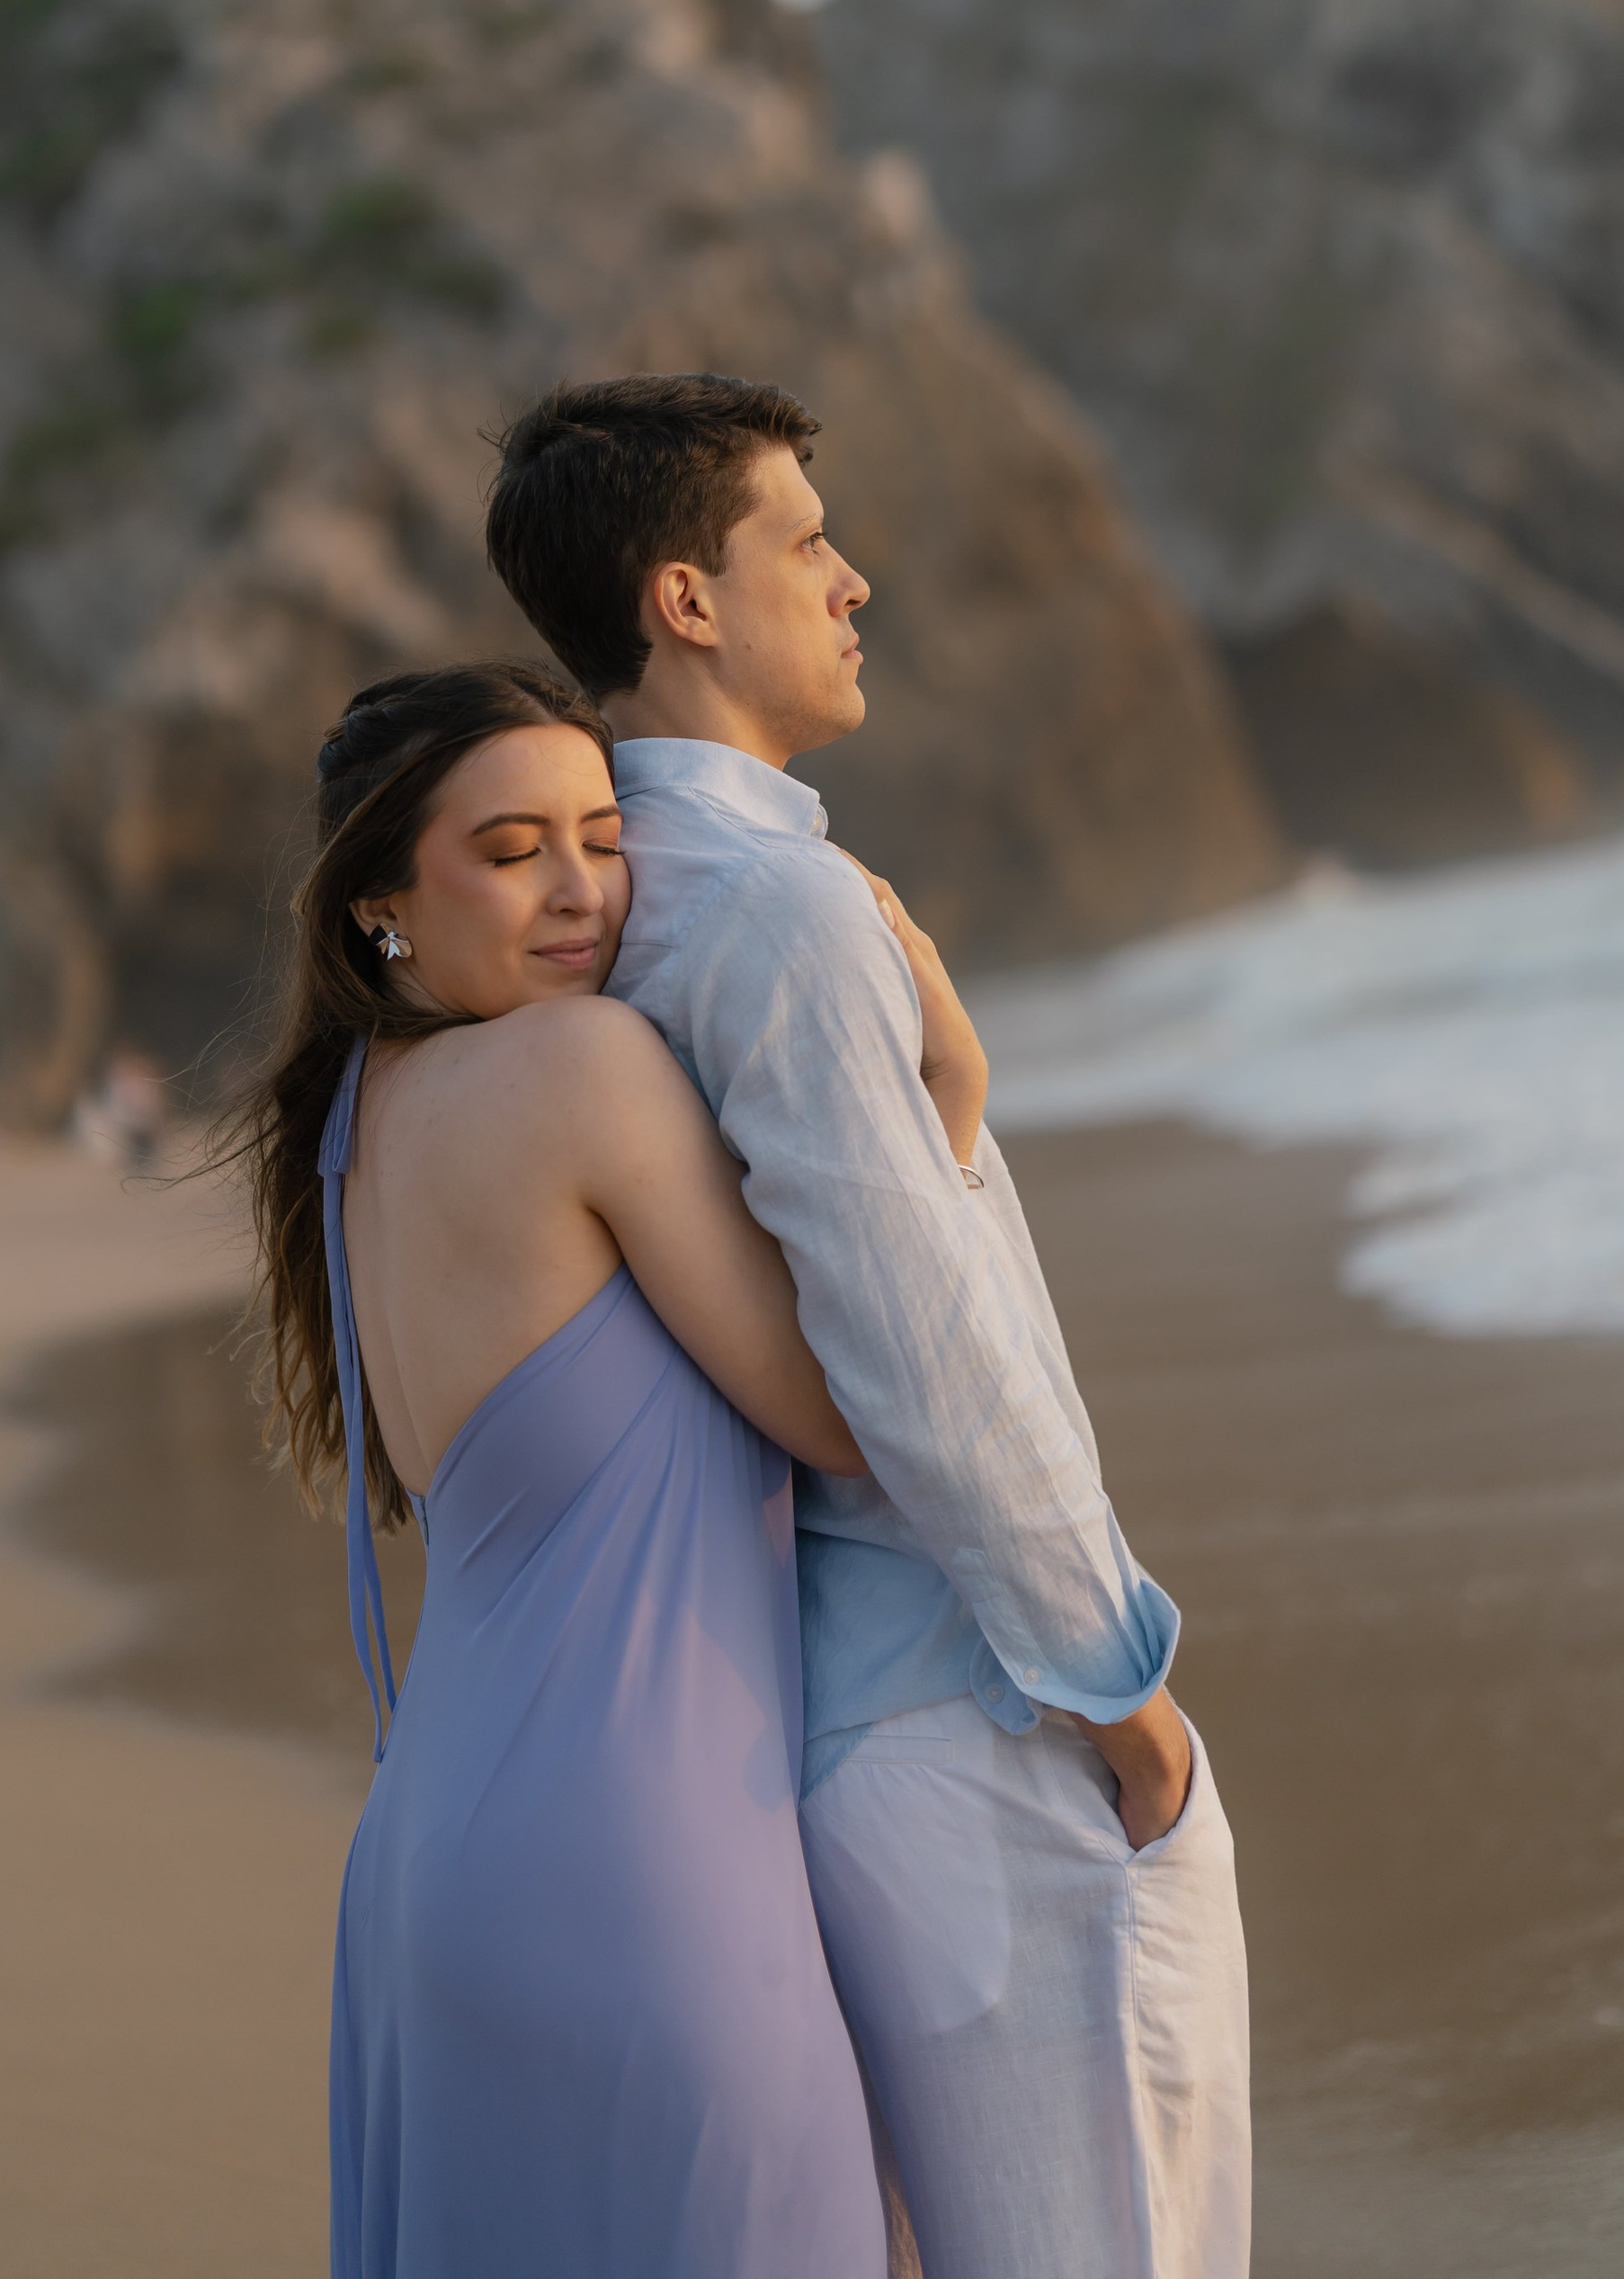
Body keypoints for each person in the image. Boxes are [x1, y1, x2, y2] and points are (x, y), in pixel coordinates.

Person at [486, 376, 1253, 2279]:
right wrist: (1118, 1698)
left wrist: (957, 1101)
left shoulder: (620, 911)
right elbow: (917, 1348)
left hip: (836, 1719)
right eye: (804, 538)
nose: (852, 577)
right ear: (683, 598)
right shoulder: (773, 907)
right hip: (982, 1715)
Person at [226, 660, 886, 2279]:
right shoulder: (579, 1070)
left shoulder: (350, 1140)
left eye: (603, 833)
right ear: (383, 899)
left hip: (430, 1870)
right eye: (513, 851)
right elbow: (851, 1410)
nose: (583, 890)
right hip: (641, 1864)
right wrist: (939, 1092)